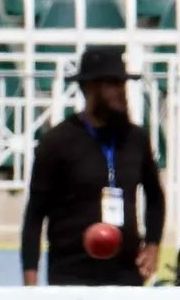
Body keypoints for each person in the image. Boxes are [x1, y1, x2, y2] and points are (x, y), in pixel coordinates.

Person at [20, 45, 166, 287]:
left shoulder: (136, 139)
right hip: (71, 273)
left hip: (126, 273)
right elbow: (35, 215)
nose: (121, 92)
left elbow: (155, 197)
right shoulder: (57, 141)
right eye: (112, 85)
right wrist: (30, 284)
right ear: (89, 88)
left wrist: (152, 245)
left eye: (122, 84)